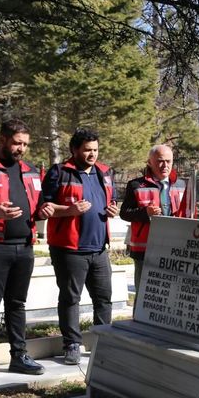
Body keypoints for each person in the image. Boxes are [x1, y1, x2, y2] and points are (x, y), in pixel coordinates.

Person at [0, 119, 54, 384]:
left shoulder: (30, 171)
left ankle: (19, 355)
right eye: (16, 143)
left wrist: (44, 209)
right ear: (2, 139)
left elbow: (39, 203)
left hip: (24, 246)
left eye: (25, 144)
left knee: (17, 304)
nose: (21, 148)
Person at [42, 128, 119, 365]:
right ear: (74, 149)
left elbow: (112, 200)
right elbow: (43, 207)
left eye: (95, 150)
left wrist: (113, 209)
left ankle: (102, 342)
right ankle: (72, 345)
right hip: (69, 248)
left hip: (99, 248)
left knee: (104, 298)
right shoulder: (59, 172)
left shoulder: (104, 172)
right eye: (87, 150)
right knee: (70, 298)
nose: (92, 154)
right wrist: (69, 210)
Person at [120, 144, 189, 295]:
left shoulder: (182, 185)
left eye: (168, 161)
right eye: (160, 161)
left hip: (174, 249)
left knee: (169, 294)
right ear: (149, 162)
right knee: (143, 294)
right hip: (145, 249)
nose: (165, 165)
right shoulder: (136, 185)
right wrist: (145, 212)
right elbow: (124, 213)